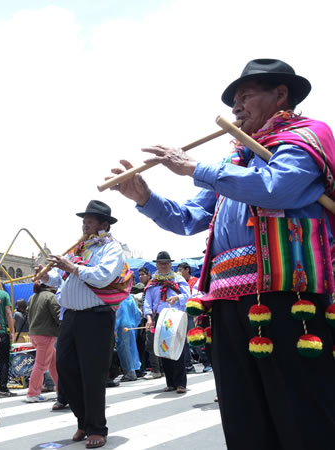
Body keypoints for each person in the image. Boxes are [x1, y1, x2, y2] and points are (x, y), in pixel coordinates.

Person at [109, 59, 335, 448]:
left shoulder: (305, 136)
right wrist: (145, 197)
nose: (236, 107)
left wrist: (195, 167)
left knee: (299, 411)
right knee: (243, 412)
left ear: (281, 94)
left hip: (286, 298)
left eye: (246, 96)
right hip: (226, 302)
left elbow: (275, 188)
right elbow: (189, 218)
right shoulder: (234, 161)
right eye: (234, 101)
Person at [35, 200, 125, 449]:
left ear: (103, 225)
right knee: (65, 369)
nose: (84, 225)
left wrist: (71, 267)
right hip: (71, 316)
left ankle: (97, 428)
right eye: (83, 221)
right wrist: (49, 273)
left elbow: (102, 277)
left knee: (92, 374)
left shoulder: (112, 248)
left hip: (95, 316)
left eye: (89, 221)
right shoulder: (80, 248)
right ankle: (83, 421)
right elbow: (64, 280)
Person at [143, 252, 190, 393]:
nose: (163, 266)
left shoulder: (178, 279)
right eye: (161, 263)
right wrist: (149, 318)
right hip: (160, 319)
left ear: (170, 264)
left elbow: (188, 295)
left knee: (178, 349)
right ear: (156, 265)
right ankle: (170, 383)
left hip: (176, 318)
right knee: (163, 349)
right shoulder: (153, 283)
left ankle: (181, 383)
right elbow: (148, 302)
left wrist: (177, 298)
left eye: (166, 263)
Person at [25, 281, 61, 402]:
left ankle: (61, 390)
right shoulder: (50, 296)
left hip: (34, 334)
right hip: (46, 334)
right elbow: (58, 315)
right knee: (41, 365)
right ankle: (33, 393)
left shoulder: (32, 297)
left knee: (53, 363)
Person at [177, 262, 211, 373]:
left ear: (187, 270)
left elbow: (197, 296)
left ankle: (207, 362)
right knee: (184, 340)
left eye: (181, 269)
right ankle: (188, 365)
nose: (179, 272)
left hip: (195, 314)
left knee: (195, 337)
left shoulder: (195, 281)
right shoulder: (180, 283)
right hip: (182, 314)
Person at [0, 287, 16, 397]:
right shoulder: (4, 294)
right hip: (2, 332)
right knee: (4, 361)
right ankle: (3, 388)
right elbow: (8, 313)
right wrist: (12, 331)